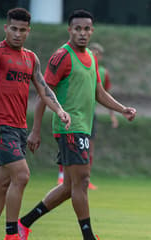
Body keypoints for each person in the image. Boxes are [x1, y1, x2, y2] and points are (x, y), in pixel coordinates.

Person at [17, 9, 136, 240]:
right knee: (82, 182)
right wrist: (35, 130)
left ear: (92, 31)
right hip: (69, 126)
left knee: (70, 187)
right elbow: (44, 93)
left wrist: (122, 109)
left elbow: (99, 93)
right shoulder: (62, 56)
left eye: (86, 29)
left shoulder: (91, 57)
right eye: (77, 29)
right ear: (69, 30)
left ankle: (24, 223)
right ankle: (89, 236)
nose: (82, 33)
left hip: (84, 127)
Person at [0, 8, 70, 240]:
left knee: (3, 183)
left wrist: (59, 110)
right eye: (13, 29)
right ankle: (12, 234)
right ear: (6, 28)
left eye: (22, 30)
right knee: (22, 176)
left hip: (19, 129)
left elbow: (44, 89)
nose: (17, 34)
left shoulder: (31, 59)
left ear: (28, 31)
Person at [56, 42, 119, 190]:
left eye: (97, 53)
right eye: (93, 52)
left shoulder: (102, 72)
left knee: (90, 148)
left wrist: (113, 115)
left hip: (90, 115)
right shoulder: (74, 64)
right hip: (72, 115)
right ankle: (62, 177)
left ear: (101, 56)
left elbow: (104, 94)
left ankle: (86, 178)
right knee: (67, 147)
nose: (94, 55)